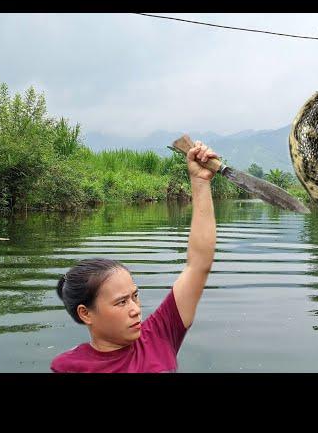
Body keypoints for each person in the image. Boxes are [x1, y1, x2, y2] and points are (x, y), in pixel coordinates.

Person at [51, 140, 217, 372]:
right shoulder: (69, 366)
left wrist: (199, 182)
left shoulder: (160, 334)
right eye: (121, 302)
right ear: (86, 313)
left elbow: (199, 263)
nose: (136, 309)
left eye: (135, 296)